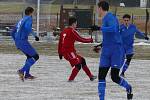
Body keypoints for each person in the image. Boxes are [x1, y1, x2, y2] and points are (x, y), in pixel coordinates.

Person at [91, 1, 133, 100]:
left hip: (116, 51)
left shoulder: (110, 17)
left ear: (100, 8)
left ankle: (128, 87)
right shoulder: (105, 18)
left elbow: (113, 29)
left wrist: (99, 28)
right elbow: (110, 36)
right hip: (106, 50)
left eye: (98, 8)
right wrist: (101, 45)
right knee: (101, 76)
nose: (98, 10)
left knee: (114, 77)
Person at [58, 17, 97, 82]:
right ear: (73, 24)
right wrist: (90, 40)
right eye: (76, 24)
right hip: (69, 52)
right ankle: (70, 80)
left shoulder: (64, 31)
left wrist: (60, 53)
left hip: (68, 52)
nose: (76, 25)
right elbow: (81, 39)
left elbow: (60, 43)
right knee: (78, 65)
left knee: (82, 60)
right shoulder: (72, 31)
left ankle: (91, 76)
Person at [10, 7, 39, 81]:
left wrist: (16, 41)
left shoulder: (21, 20)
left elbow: (12, 32)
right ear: (31, 12)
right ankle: (22, 71)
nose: (33, 14)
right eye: (33, 12)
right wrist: (35, 35)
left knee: (29, 56)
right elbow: (27, 27)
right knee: (35, 56)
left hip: (19, 41)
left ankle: (27, 75)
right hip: (22, 41)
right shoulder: (29, 18)